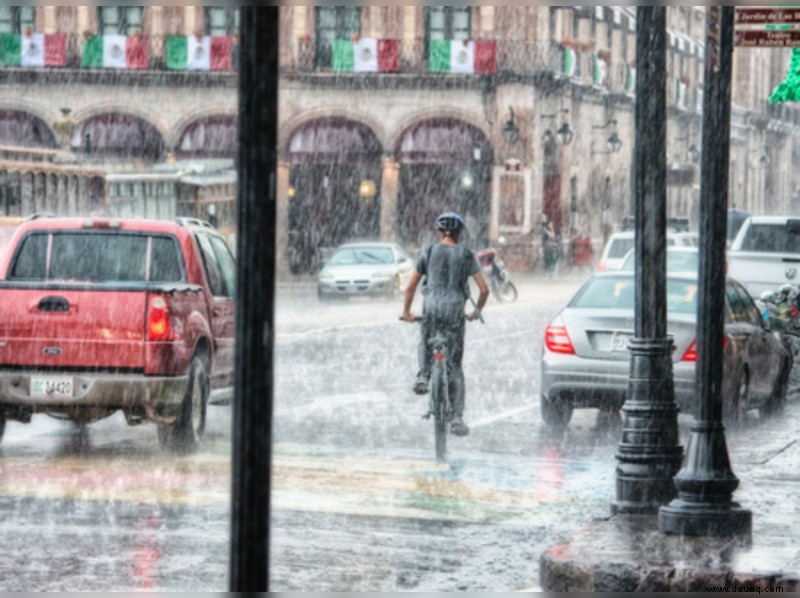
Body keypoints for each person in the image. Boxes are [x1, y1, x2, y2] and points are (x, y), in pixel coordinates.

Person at [401, 211, 489, 437]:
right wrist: (476, 311)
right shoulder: (466, 255)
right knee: (454, 367)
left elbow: (410, 286)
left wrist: (406, 311)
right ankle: (457, 417)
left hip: (431, 309)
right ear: (460, 234)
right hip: (454, 313)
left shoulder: (429, 252)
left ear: (439, 233)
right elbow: (484, 289)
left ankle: (423, 375)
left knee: (425, 339)